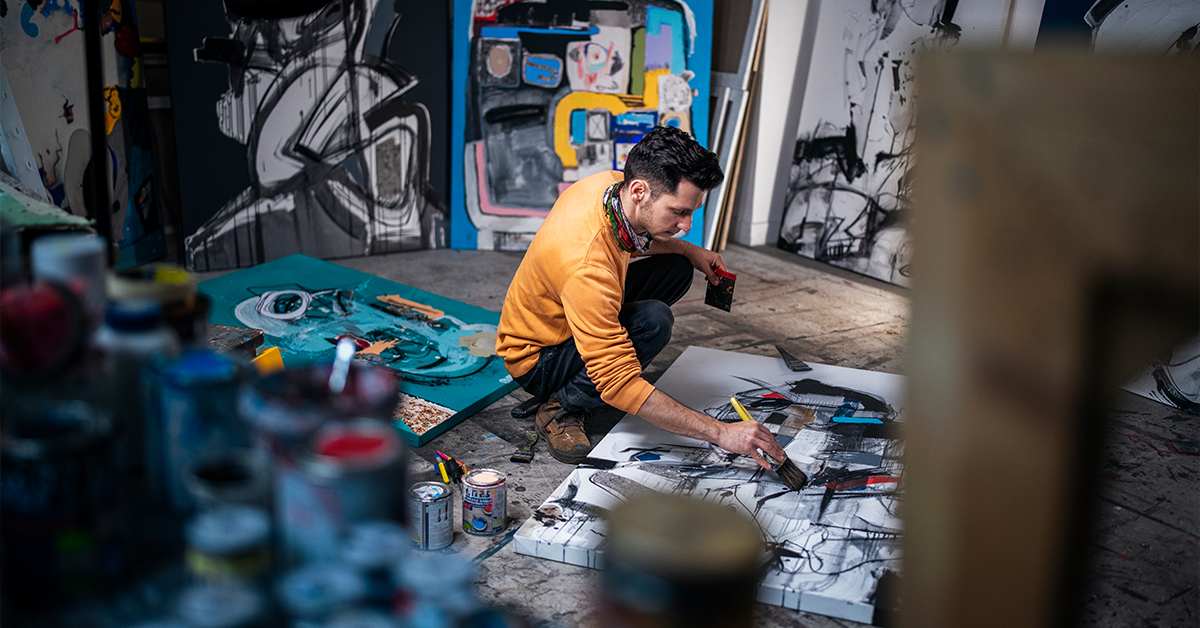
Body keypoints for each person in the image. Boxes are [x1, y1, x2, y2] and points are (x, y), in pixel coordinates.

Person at [496, 126, 786, 469]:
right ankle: (561, 405)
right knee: (653, 322)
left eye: (691, 212)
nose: (687, 224)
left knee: (677, 267)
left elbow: (629, 240)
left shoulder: (608, 186)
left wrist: (688, 250)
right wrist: (721, 432)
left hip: (570, 313)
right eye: (678, 211)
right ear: (639, 191)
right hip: (538, 359)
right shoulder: (586, 267)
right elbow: (617, 383)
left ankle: (597, 353)